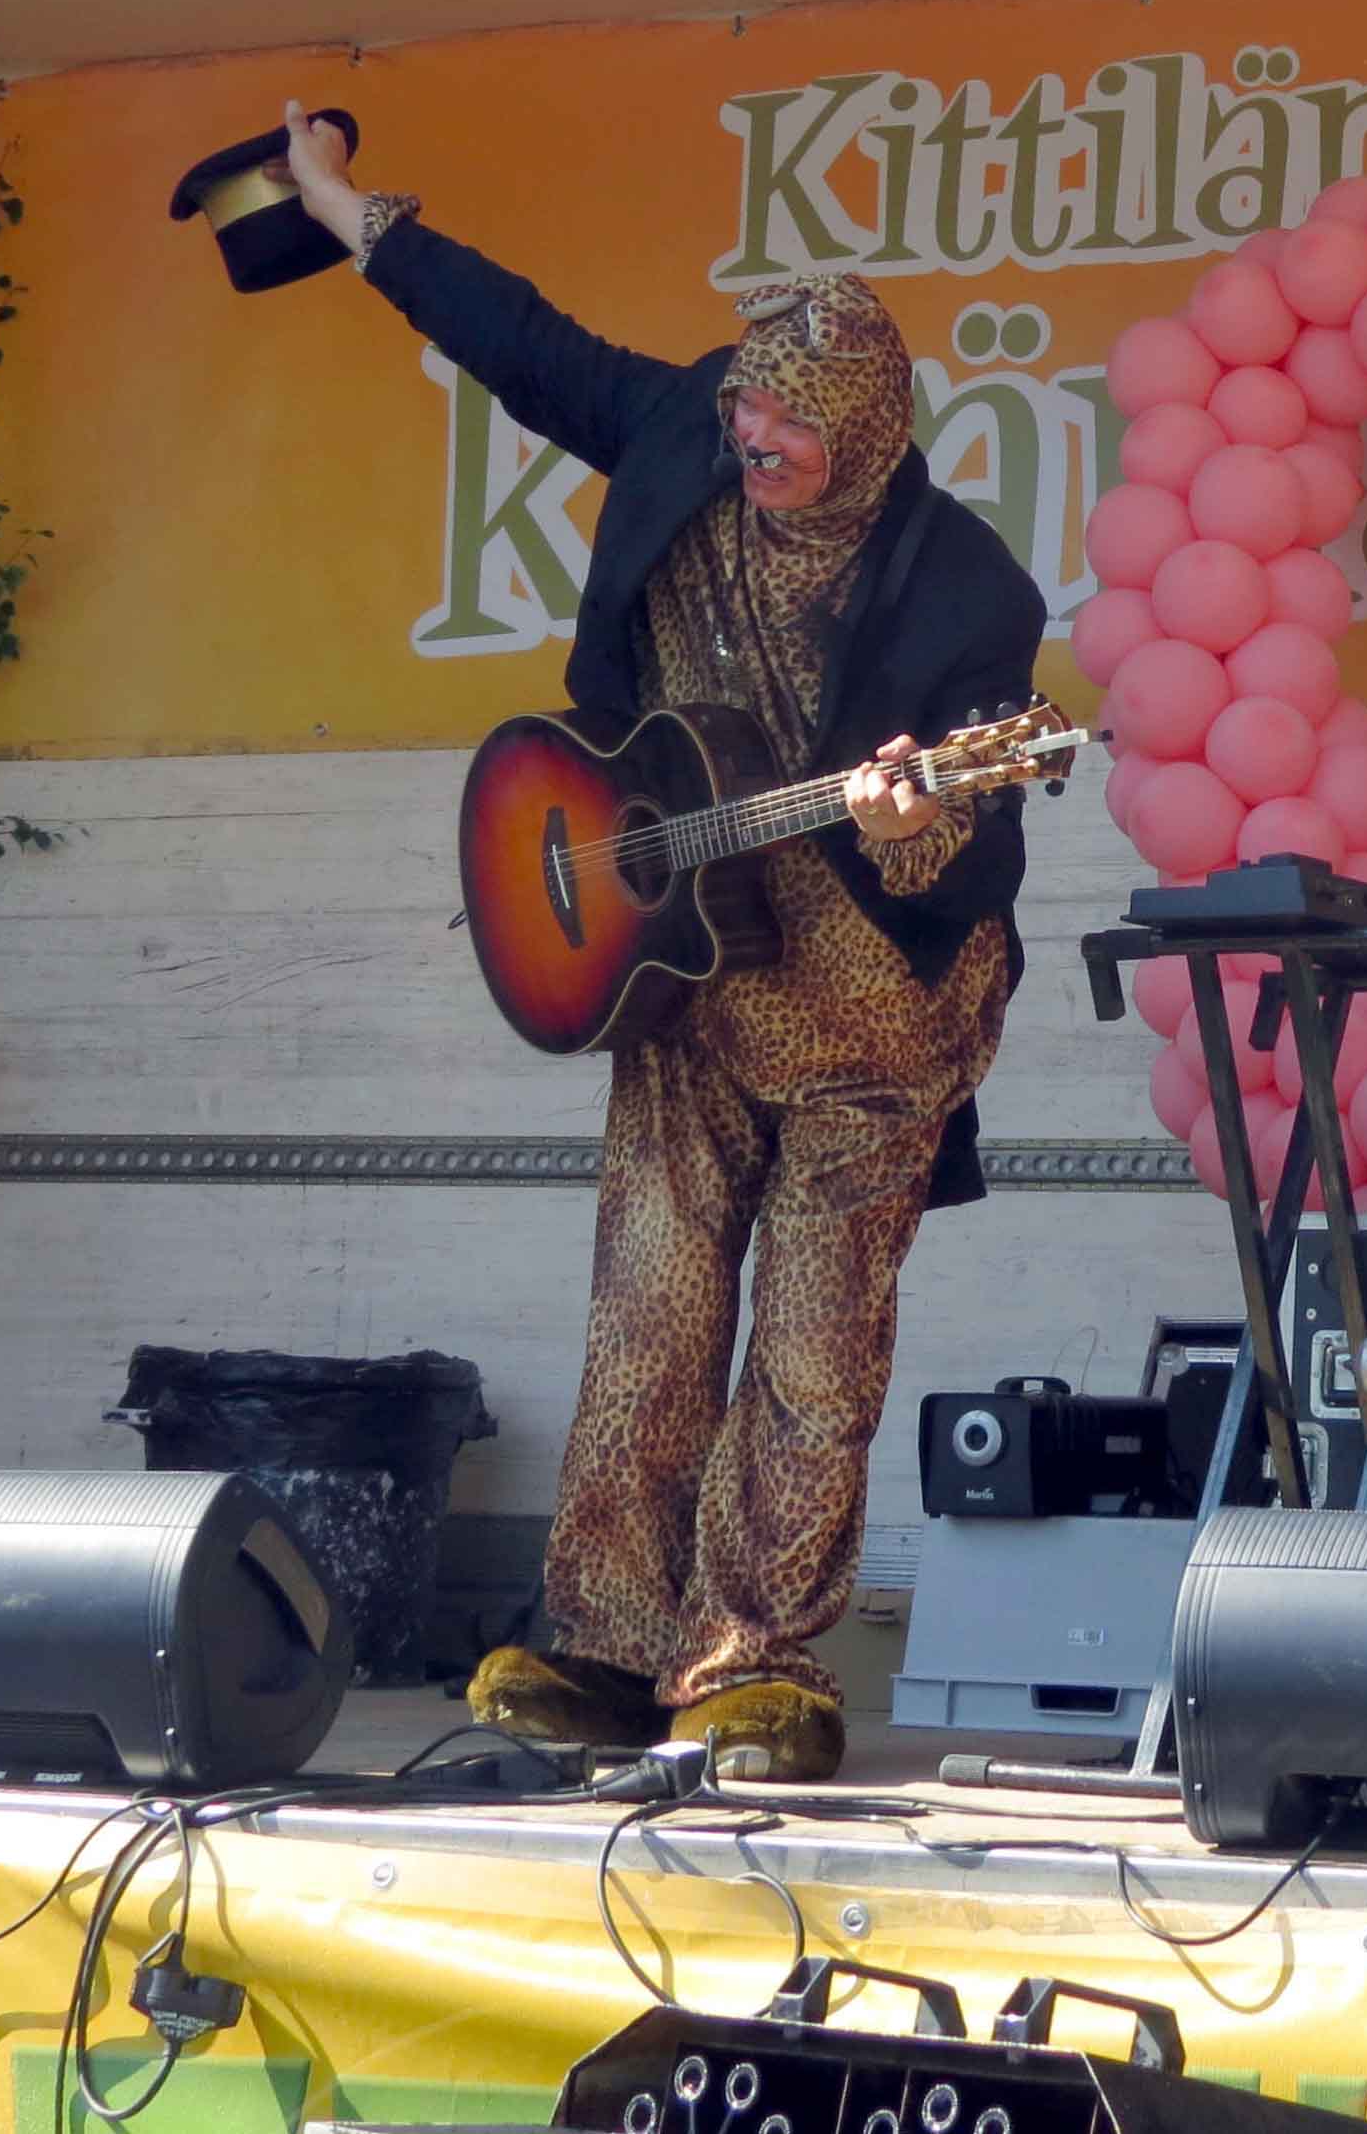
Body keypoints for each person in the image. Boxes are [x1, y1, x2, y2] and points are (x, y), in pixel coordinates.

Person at [279, 105, 1045, 1780]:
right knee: (646, 1312)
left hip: (874, 1005)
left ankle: (753, 1664)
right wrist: (348, 212)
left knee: (814, 1347)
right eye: (745, 406)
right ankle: (610, 1646)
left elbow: (977, 837)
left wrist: (912, 817)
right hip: (687, 962)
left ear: (865, 435)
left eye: (788, 426)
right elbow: (522, 344)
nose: (753, 437)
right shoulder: (685, 435)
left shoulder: (963, 589)